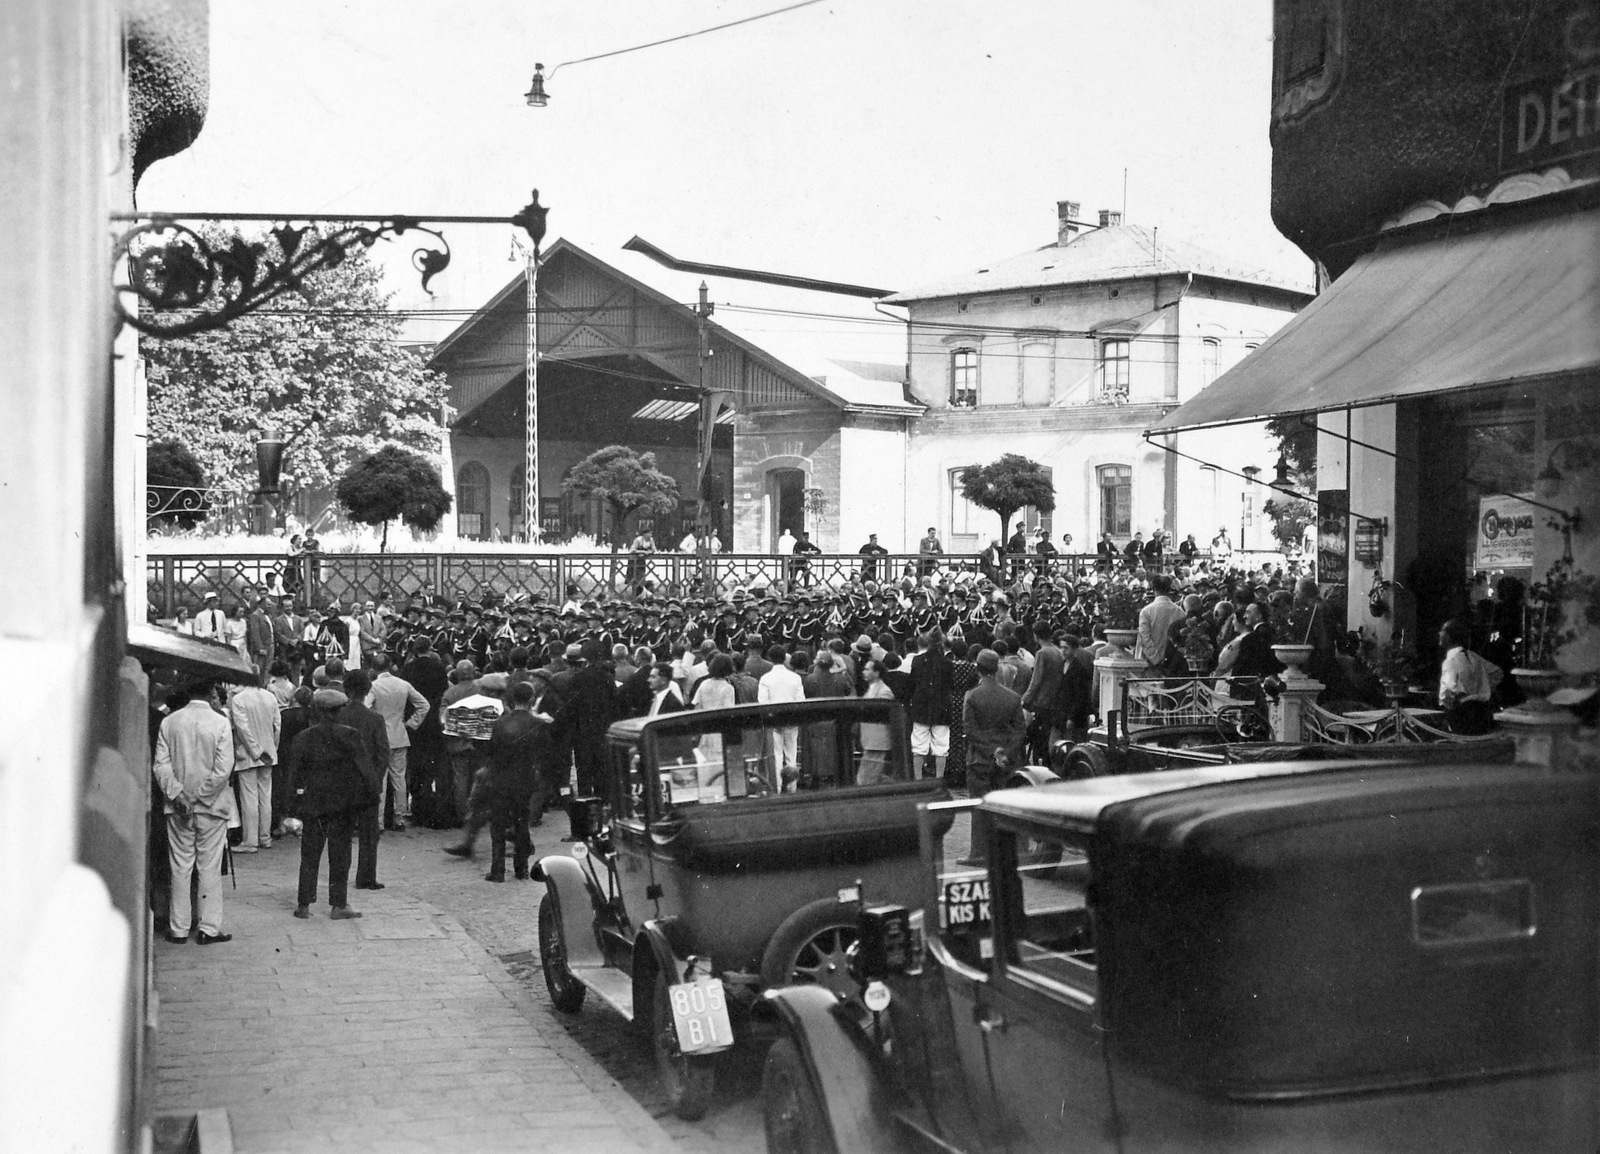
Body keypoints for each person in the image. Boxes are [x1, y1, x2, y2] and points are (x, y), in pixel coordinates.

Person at [152, 680, 235, 944]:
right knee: (208, 866)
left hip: (178, 807)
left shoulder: (170, 722)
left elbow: (160, 766)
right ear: (212, 692)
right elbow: (223, 769)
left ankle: (178, 927)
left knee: (180, 865)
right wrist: (201, 796)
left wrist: (179, 795)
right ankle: (208, 927)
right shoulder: (220, 723)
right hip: (212, 807)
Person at [284, 688, 368, 920]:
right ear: (340, 710)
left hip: (313, 803)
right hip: (343, 805)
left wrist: (292, 808)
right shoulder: (350, 735)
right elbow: (364, 771)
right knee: (340, 854)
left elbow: (294, 775)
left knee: (310, 854)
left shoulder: (304, 737)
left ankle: (304, 903)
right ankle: (338, 903)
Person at [483, 681, 553, 882]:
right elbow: (546, 752)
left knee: (498, 824)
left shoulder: (499, 724)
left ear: (511, 700)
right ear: (531, 700)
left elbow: (490, 752)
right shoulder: (538, 724)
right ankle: (521, 868)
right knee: (522, 823)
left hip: (500, 778)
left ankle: (497, 870)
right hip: (525, 778)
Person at [335, 670, 390, 891]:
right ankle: (366, 877)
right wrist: (375, 779)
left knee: (342, 832)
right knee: (369, 834)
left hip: (343, 783)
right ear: (367, 690)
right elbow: (383, 753)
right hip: (367, 783)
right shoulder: (375, 719)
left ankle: (339, 874)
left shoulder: (338, 716)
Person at [366, 652, 428, 831]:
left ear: (374, 668)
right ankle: (399, 818)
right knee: (399, 778)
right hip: (400, 734)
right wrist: (411, 723)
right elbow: (424, 705)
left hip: (381, 737)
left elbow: (367, 707)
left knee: (382, 779)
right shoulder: (403, 684)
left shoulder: (374, 686)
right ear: (390, 665)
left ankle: (378, 821)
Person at [963, 649, 1027, 800]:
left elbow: (970, 730)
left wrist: (992, 750)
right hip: (1007, 761)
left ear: (978, 669)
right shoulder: (1013, 697)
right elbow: (1020, 730)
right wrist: (1005, 753)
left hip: (980, 759)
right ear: (996, 668)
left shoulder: (972, 696)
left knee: (979, 810)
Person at [227, 678, 281, 854]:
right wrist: (272, 747)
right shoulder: (270, 697)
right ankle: (264, 837)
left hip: (247, 753)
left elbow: (242, 728)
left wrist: (255, 751)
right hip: (269, 751)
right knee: (265, 795)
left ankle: (250, 840)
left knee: (249, 797)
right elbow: (277, 726)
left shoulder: (239, 699)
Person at [1438, 619, 1498, 735]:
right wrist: (1484, 688)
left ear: (1450, 636)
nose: (1439, 634)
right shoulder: (1474, 657)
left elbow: (1448, 691)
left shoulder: (1451, 661)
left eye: (1442, 631)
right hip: (1483, 711)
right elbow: (1496, 672)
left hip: (1463, 714)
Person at [908, 631, 954, 781]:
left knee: (919, 745)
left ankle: (918, 779)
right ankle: (939, 779)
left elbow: (913, 683)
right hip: (942, 707)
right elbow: (950, 685)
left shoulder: (917, 660)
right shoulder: (947, 663)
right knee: (941, 746)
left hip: (921, 706)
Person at [857, 659, 897, 785]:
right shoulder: (871, 689)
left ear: (877, 673)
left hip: (877, 742)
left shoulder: (884, 691)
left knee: (865, 779)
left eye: (867, 669)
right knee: (873, 777)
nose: (864, 672)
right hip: (870, 741)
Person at [1135, 574, 1187, 670]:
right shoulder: (1179, 611)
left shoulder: (1146, 611)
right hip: (1174, 664)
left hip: (1150, 664)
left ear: (1154, 589)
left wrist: (1156, 659)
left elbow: (1144, 638)